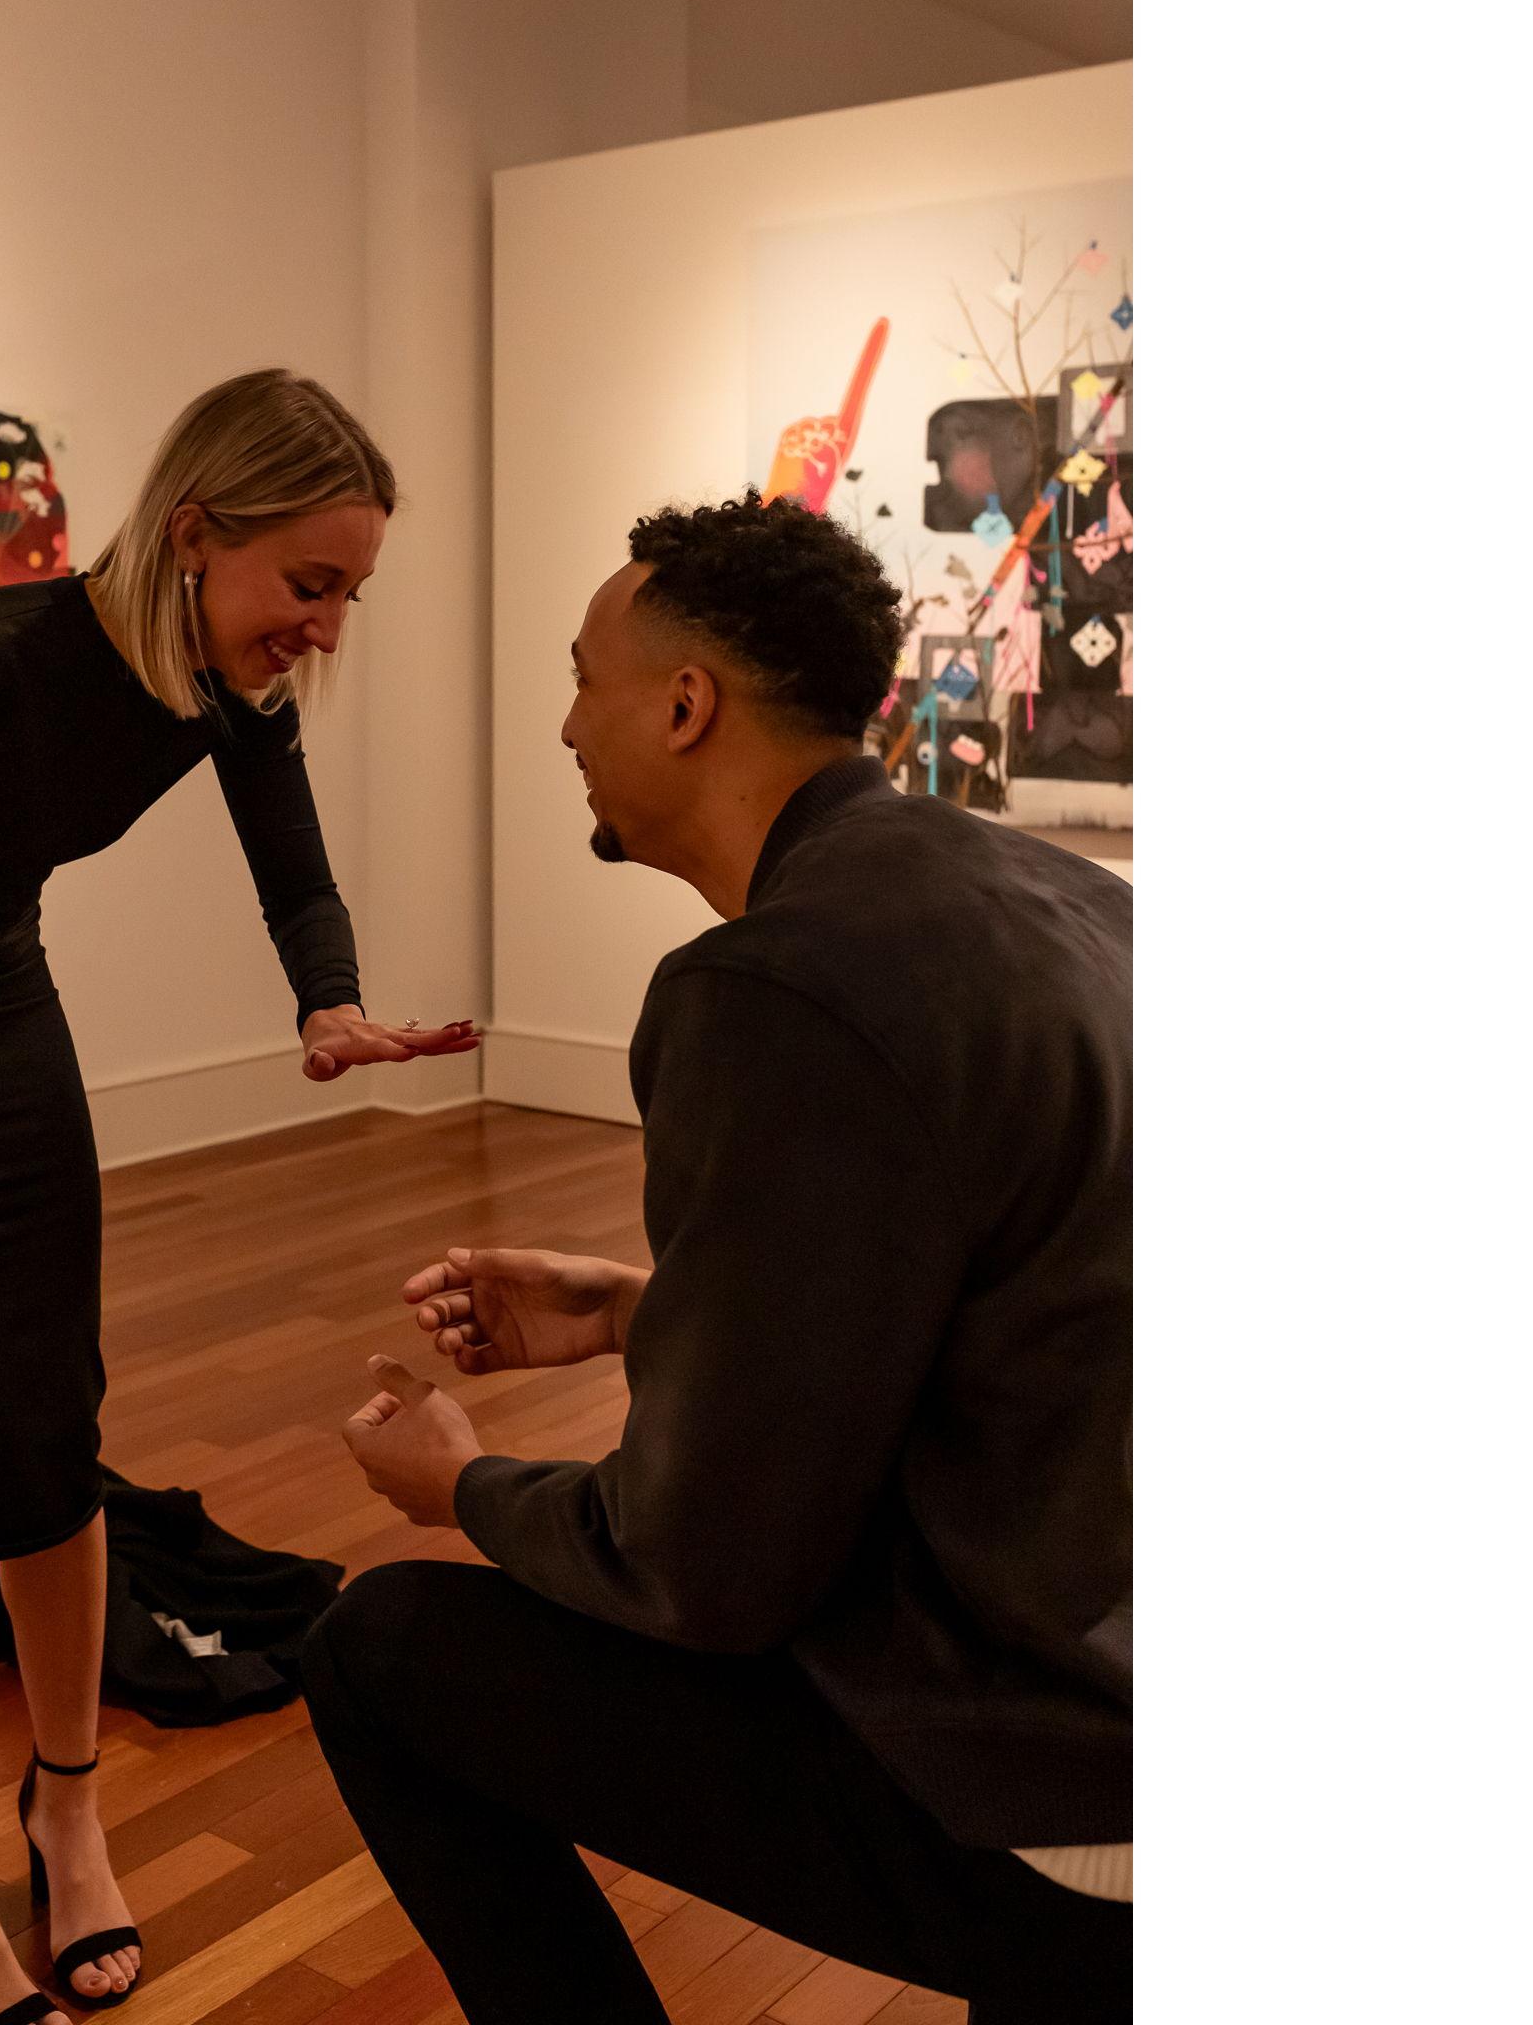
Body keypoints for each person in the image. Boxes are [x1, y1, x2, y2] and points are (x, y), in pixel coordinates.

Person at [303, 492, 1131, 2024]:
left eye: (582, 680)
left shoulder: (777, 988)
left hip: (1063, 1792)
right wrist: (647, 1313)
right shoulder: (1073, 903)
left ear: (686, 706)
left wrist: (464, 1485)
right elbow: (1022, 1309)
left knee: (380, 1650)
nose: (566, 725)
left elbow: (704, 1569)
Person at [0, 370, 477, 2025]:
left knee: (54, 1426)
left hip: (2, 1021)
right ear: (197, 530)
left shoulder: (224, 687)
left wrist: (329, 1001)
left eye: (350, 595)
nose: (326, 629)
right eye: (310, 584)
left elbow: (290, 856)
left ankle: (66, 1812)